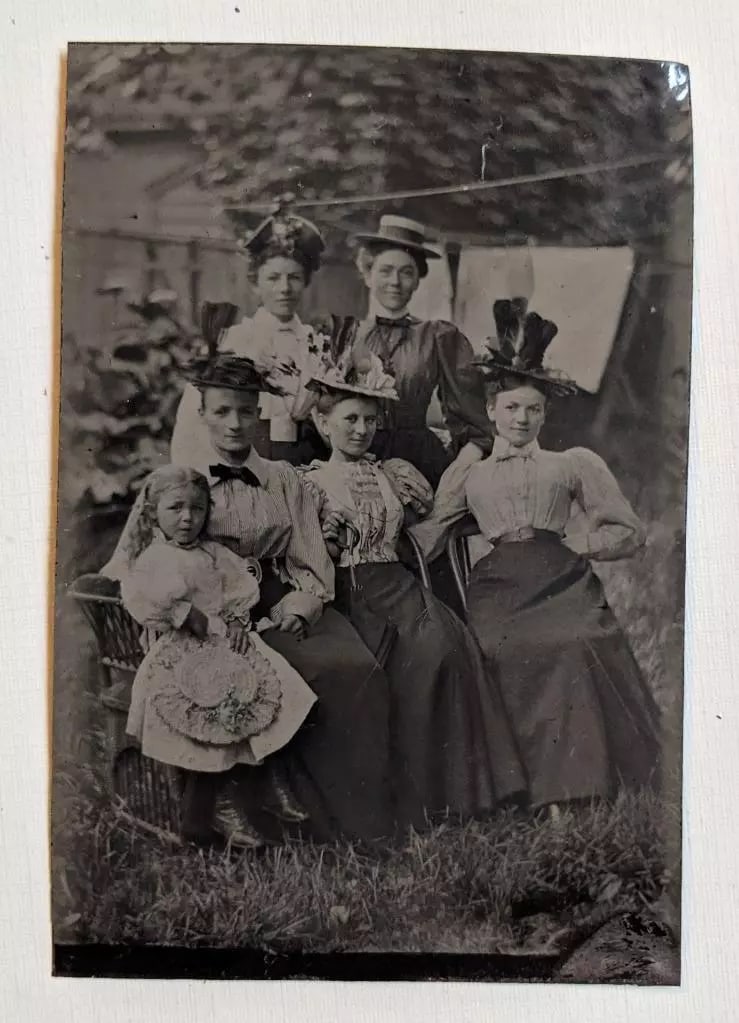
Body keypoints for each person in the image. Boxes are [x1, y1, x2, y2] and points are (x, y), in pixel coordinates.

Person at [168, 352, 395, 844]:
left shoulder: (282, 478)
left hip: (282, 594)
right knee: (255, 673)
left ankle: (359, 823)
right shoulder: (186, 485)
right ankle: (268, 806)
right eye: (222, 411)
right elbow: (162, 562)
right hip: (217, 607)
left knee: (352, 668)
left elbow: (311, 557)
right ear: (203, 413)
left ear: (259, 415)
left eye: (246, 412)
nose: (234, 423)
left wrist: (303, 601)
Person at [302, 348, 527, 830]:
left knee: (445, 645)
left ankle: (454, 794)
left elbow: (431, 524)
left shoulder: (395, 476)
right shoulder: (309, 483)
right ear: (323, 424)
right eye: (349, 419)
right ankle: (395, 803)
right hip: (342, 593)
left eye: (369, 419)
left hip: (398, 585)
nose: (361, 430)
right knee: (375, 671)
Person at [454, 301, 661, 810]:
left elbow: (628, 531)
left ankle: (577, 788)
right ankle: (517, 789)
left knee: (574, 641)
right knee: (503, 651)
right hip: (499, 586)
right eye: (511, 408)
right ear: (491, 411)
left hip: (561, 578)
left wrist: (578, 544)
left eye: (532, 409)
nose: (521, 418)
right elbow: (437, 529)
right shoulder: (469, 472)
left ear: (545, 413)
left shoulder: (571, 463)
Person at [102, 466, 317, 849]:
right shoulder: (153, 557)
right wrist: (182, 612)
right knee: (211, 710)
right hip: (177, 647)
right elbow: (140, 598)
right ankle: (215, 809)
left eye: (197, 509)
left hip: (221, 641)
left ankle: (272, 780)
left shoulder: (213, 552)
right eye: (176, 509)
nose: (187, 518)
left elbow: (236, 591)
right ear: (153, 513)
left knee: (279, 685)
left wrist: (236, 622)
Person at [171, 207, 329, 468]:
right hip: (246, 466)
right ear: (256, 284)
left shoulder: (319, 346)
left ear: (306, 282)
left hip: (306, 469)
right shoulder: (233, 342)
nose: (284, 289)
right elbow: (192, 422)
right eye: (273, 278)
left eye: (295, 277)